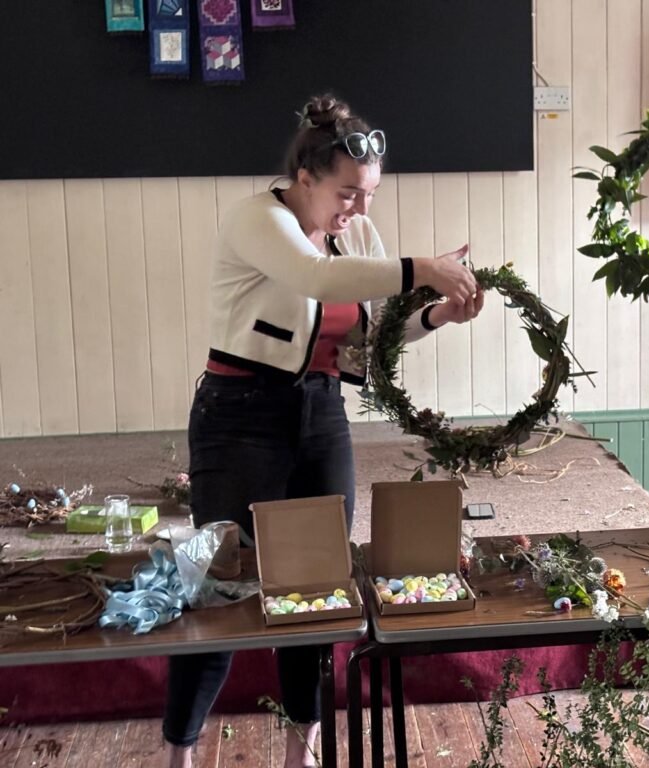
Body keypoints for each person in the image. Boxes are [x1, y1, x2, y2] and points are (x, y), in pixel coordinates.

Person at [163, 94, 485, 768]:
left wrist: (437, 318)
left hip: (319, 415)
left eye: (368, 194)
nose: (359, 210)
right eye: (347, 193)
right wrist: (424, 268)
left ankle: (300, 750)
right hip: (239, 417)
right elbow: (314, 276)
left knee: (318, 590)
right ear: (305, 177)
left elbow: (367, 342)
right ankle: (181, 752)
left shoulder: (357, 238)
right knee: (220, 591)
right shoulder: (256, 219)